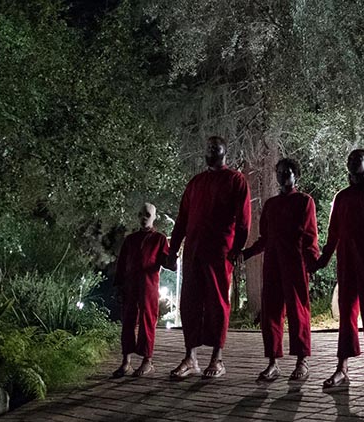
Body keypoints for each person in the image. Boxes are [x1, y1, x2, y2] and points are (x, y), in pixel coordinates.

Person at [166, 136, 251, 379]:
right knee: (190, 302)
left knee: (217, 302)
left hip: (219, 251)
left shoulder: (235, 180)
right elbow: (182, 219)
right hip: (194, 250)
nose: (211, 150)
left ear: (225, 151)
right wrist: (173, 250)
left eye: (216, 147)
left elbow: (243, 220)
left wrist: (237, 248)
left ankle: (217, 358)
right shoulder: (196, 183)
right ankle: (190, 357)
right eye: (209, 147)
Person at [232, 158, 319, 382]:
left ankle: (302, 361)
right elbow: (265, 238)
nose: (283, 175)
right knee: (270, 313)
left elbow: (310, 236)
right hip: (272, 265)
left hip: (295, 264)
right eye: (279, 172)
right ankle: (272, 362)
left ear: (296, 175)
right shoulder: (270, 205)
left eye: (288, 171)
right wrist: (247, 253)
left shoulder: (304, 201)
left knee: (298, 312)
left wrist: (313, 261)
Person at [313, 149, 364, 389]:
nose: (353, 162)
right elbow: (333, 232)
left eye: (359, 159)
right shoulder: (342, 196)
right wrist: (322, 260)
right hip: (346, 260)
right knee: (346, 313)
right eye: (350, 159)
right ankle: (342, 368)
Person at [112, 203, 170, 378]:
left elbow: (167, 262)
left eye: (147, 214)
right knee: (128, 321)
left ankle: (147, 360)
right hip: (130, 285)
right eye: (141, 214)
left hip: (149, 286)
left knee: (147, 320)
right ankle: (126, 361)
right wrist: (118, 285)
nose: (144, 218)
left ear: (154, 217)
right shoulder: (130, 240)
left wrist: (173, 255)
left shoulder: (159, 239)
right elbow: (122, 264)